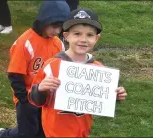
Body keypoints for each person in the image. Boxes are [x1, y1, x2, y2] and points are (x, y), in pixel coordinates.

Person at [28, 8, 127, 137]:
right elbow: (35, 99)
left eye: (90, 35)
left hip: (82, 132)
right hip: (54, 133)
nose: (83, 39)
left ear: (97, 38)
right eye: (77, 34)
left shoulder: (99, 70)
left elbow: (99, 100)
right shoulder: (51, 66)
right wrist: (40, 89)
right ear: (66, 36)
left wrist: (115, 96)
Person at [0, 0, 70, 138]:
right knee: (27, 132)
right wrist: (24, 100)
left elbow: (62, 69)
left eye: (61, 28)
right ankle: (4, 134)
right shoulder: (25, 42)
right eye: (54, 26)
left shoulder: (58, 44)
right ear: (44, 20)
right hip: (27, 96)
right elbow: (15, 75)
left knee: (43, 131)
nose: (57, 31)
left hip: (47, 98)